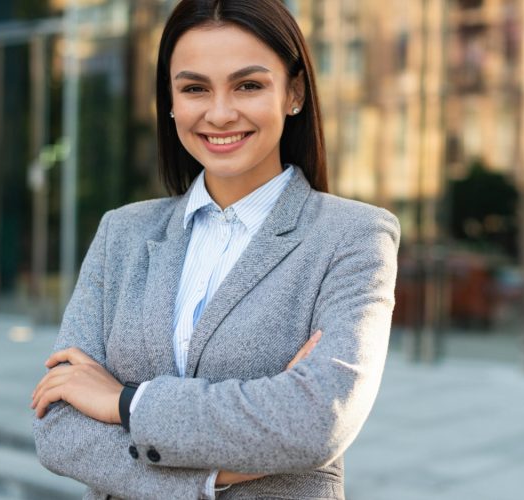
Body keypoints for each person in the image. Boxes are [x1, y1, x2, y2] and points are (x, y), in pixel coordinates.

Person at [31, 0, 400, 498]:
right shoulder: (121, 233)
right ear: (170, 101)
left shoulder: (354, 236)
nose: (220, 113)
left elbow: (316, 420)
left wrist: (125, 404)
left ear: (293, 93)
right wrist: (216, 476)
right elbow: (59, 431)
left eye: (248, 85)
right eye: (194, 88)